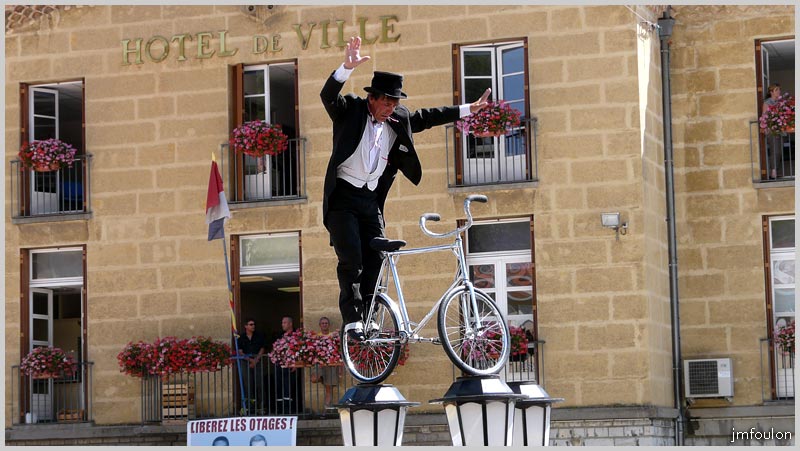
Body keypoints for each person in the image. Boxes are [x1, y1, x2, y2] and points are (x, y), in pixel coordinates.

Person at [321, 36, 492, 341]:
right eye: (385, 101)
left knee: (376, 257)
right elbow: (328, 97)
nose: (390, 108)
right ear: (372, 98)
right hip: (343, 199)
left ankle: (371, 318)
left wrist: (469, 109)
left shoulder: (398, 118)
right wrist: (345, 68)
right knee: (352, 259)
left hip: (370, 200)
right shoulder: (351, 111)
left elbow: (429, 116)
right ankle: (352, 320)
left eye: (394, 102)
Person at [310, 316, 341, 409]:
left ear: (329, 325)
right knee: (314, 378)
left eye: (326, 323)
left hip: (331, 364)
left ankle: (327, 407)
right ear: (320, 325)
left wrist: (340, 369)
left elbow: (338, 351)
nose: (324, 325)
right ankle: (322, 379)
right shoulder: (316, 337)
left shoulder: (333, 336)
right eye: (322, 323)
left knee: (329, 388)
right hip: (320, 364)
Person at [237, 317, 266, 413]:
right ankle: (249, 407)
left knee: (259, 384)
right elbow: (240, 352)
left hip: (257, 362)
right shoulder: (241, 337)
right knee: (247, 384)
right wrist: (250, 360)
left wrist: (256, 360)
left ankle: (261, 407)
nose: (253, 326)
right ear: (246, 326)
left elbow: (262, 349)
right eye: (251, 324)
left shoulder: (259, 336)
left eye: (254, 324)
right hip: (246, 363)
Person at [762, 83, 783, 179]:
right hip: (771, 130)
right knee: (774, 150)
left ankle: (775, 170)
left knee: (779, 151)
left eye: (779, 90)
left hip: (779, 130)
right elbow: (764, 117)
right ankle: (773, 172)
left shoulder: (780, 102)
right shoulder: (767, 103)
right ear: (771, 92)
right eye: (776, 90)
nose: (779, 91)